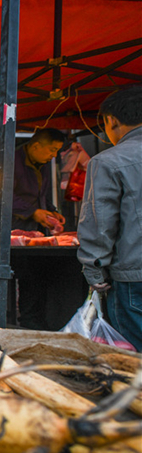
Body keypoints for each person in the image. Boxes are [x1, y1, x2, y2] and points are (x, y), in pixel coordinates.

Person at [0, 128, 67, 329]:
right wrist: (34, 212)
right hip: (7, 230)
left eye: (57, 151)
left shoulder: (42, 164)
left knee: (31, 274)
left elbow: (39, 197)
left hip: (30, 232)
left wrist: (51, 212)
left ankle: (29, 320)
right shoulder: (10, 162)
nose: (54, 155)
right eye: (51, 150)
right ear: (36, 146)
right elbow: (1, 196)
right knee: (7, 273)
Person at [77, 85, 142, 350]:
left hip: (133, 280)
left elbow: (99, 224)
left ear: (111, 121)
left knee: (133, 362)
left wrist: (93, 271)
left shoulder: (109, 161)